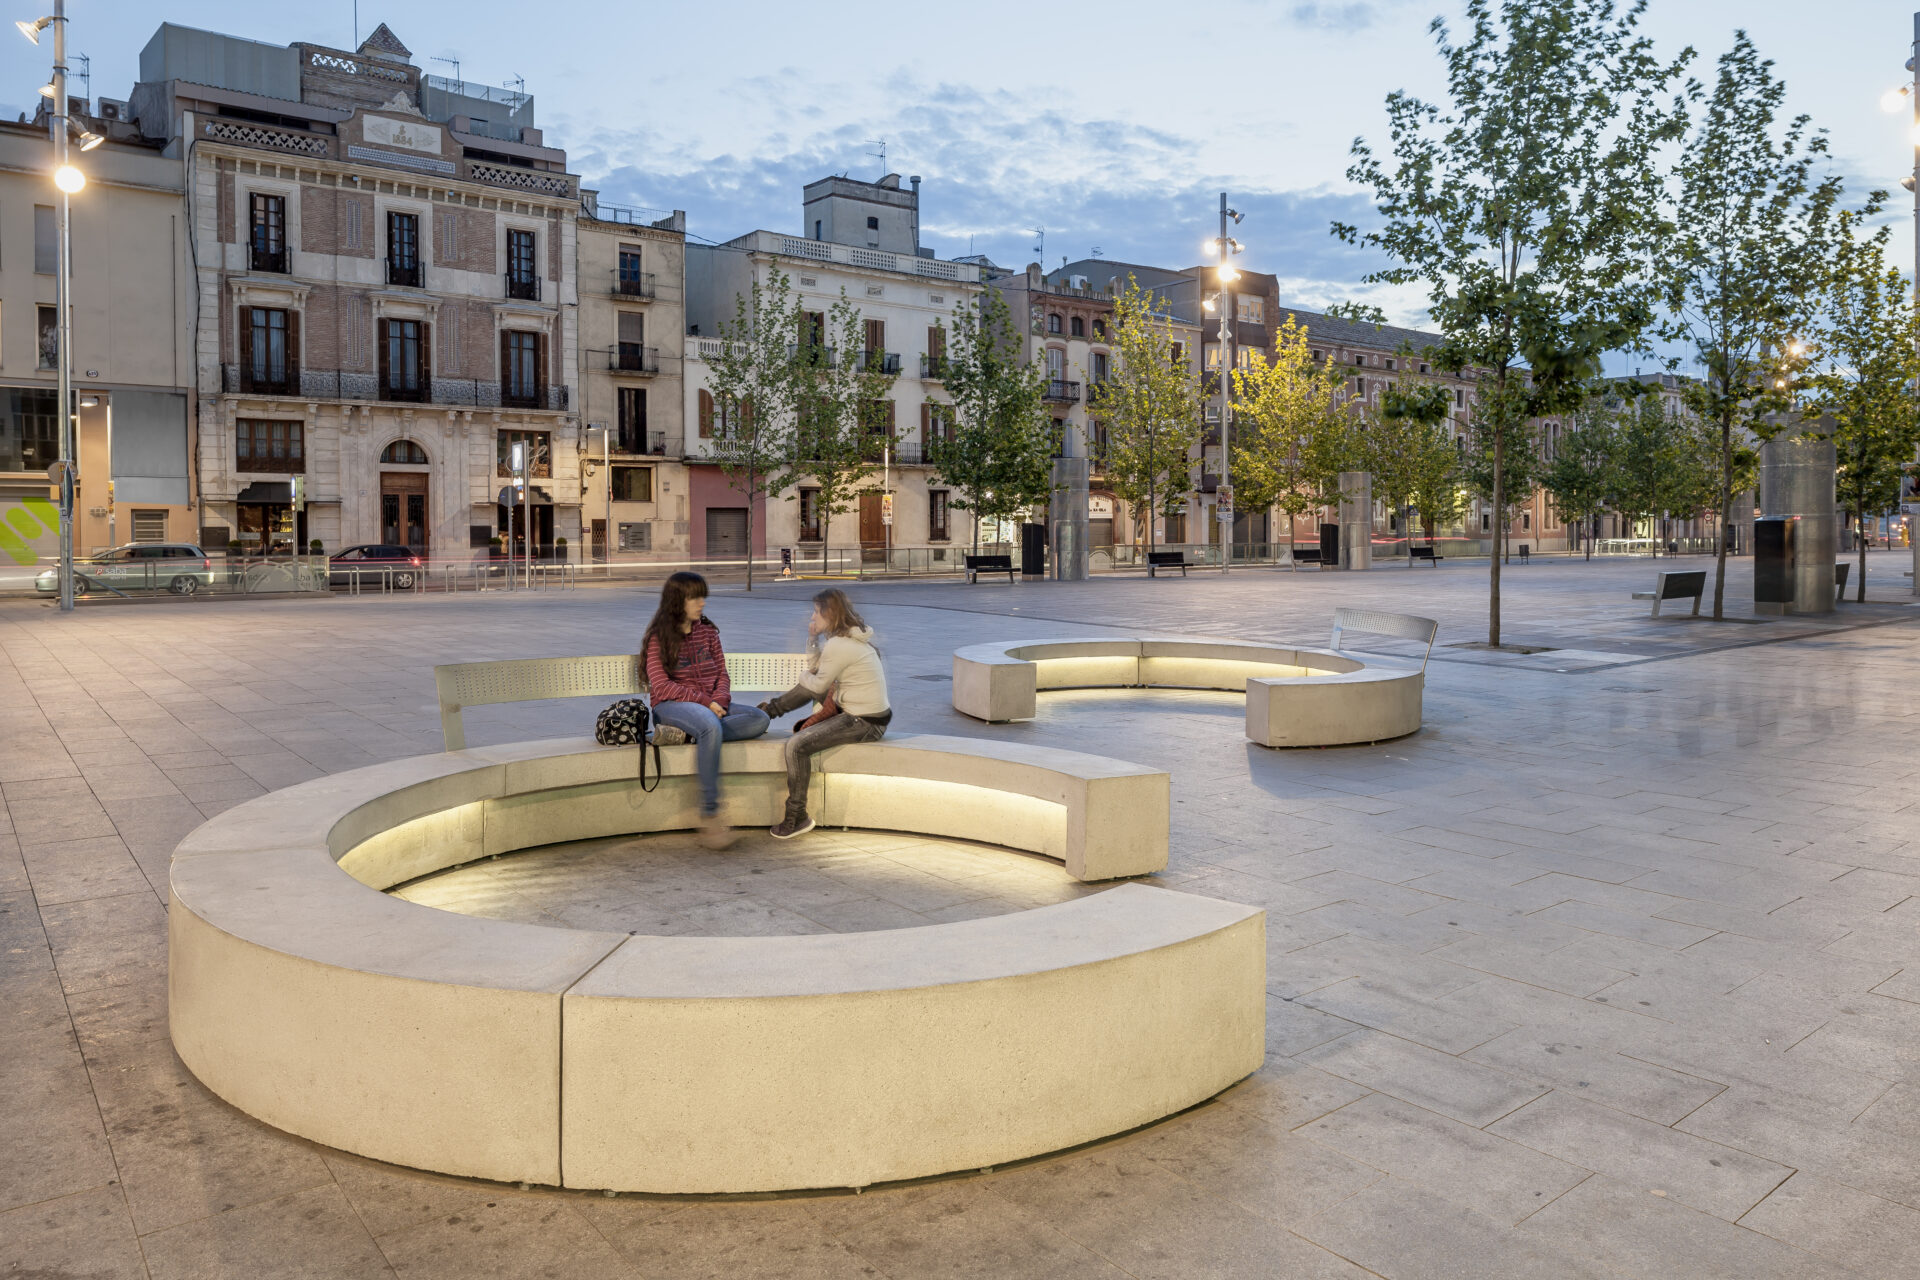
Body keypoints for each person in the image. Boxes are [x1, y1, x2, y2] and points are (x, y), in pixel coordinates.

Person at [642, 571, 768, 849]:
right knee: (709, 724)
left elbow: (722, 673)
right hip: (671, 706)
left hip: (710, 705)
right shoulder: (659, 637)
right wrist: (705, 703)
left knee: (759, 719)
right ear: (677, 601)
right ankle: (710, 812)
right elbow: (661, 686)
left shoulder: (708, 632)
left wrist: (719, 701)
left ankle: (692, 735)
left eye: (703, 597)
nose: (702, 603)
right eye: (695, 598)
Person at [758, 589, 891, 839]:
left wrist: (803, 676)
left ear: (829, 614)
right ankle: (767, 713)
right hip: (863, 713)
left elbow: (816, 684)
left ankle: (796, 816)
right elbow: (817, 672)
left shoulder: (839, 645)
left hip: (865, 722)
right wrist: (812, 639)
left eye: (816, 612)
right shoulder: (846, 639)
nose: (812, 616)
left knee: (796, 746)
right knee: (809, 685)